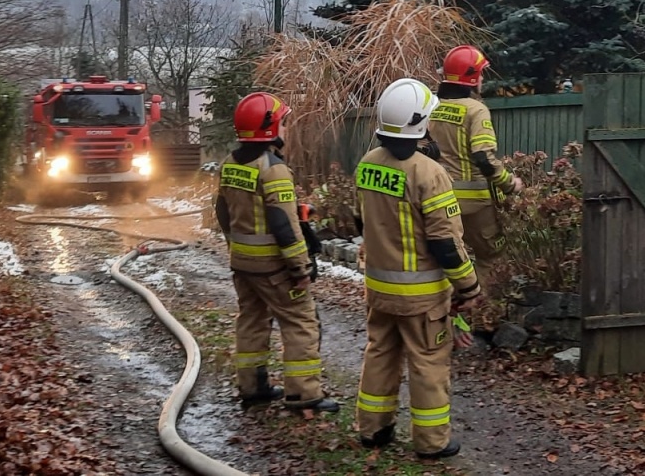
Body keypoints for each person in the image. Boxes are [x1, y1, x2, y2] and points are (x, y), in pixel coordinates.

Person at [354, 78, 483, 459]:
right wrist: (469, 287)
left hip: (379, 290)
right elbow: (445, 242)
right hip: (422, 298)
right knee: (428, 364)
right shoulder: (429, 174)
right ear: (422, 122)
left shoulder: (367, 163)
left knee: (380, 353)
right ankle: (432, 442)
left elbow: (364, 222)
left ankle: (373, 430)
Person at [215, 92, 336, 413]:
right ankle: (303, 393)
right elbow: (284, 226)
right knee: (300, 322)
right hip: (274, 268)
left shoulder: (229, 164)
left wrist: (235, 247)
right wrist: (301, 268)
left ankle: (252, 387)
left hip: (243, 265)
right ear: (269, 127)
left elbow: (222, 212)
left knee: (251, 321)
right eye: (282, 121)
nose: (285, 126)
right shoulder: (273, 170)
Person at [425, 45, 523, 261]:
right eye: (481, 74)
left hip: (440, 199)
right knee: (492, 257)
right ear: (471, 77)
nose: (482, 80)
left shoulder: (433, 107)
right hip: (475, 204)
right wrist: (509, 183)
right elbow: (483, 159)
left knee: (449, 258)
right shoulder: (476, 109)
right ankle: (481, 295)